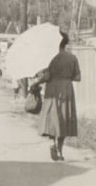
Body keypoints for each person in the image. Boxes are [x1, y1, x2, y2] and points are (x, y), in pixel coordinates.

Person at [33, 32, 81, 161]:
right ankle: (60, 151)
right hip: (67, 88)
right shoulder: (72, 58)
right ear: (65, 43)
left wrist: (36, 83)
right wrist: (66, 77)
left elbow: (46, 76)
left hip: (52, 89)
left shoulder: (50, 58)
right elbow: (78, 77)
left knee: (52, 117)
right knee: (64, 117)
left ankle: (52, 143)